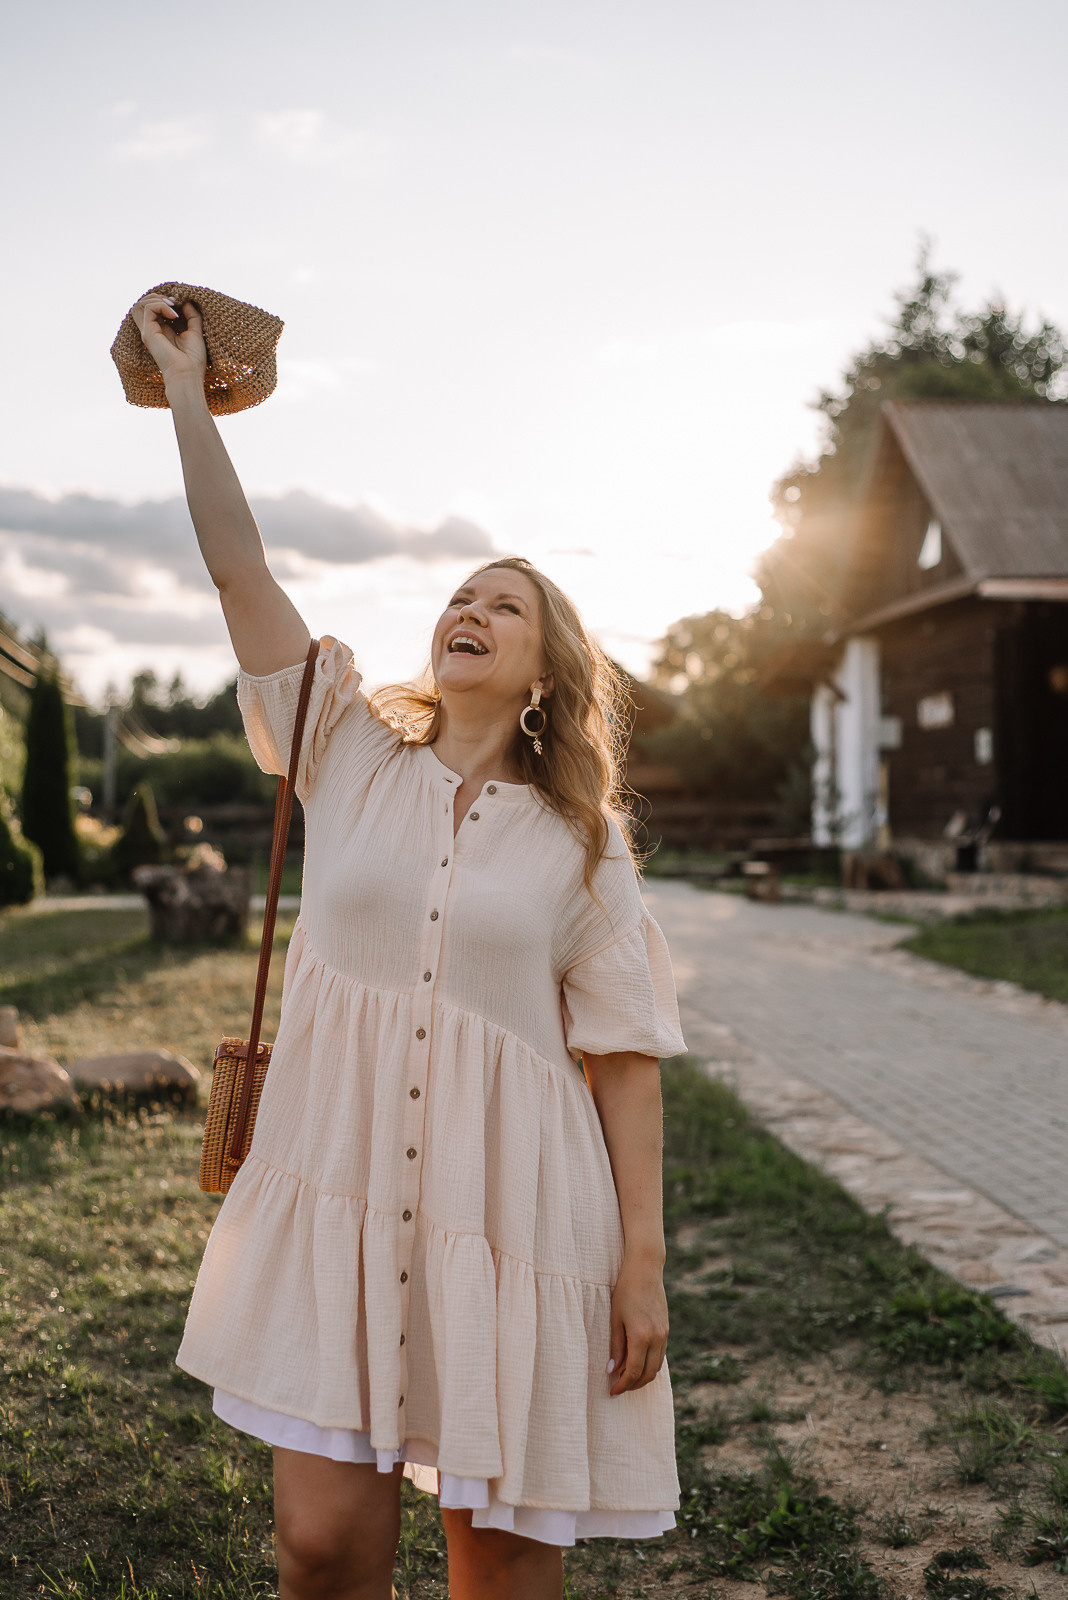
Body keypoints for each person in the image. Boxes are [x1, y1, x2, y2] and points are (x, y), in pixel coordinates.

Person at [131, 293, 687, 1600]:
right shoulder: (342, 745)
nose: (470, 609)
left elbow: (623, 1057)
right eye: (457, 596)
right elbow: (237, 574)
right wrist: (188, 401)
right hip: (334, 1185)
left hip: (521, 1222)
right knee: (321, 1548)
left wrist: (644, 1269)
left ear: (547, 669)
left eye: (505, 604)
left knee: (499, 1567)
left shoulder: (583, 841)